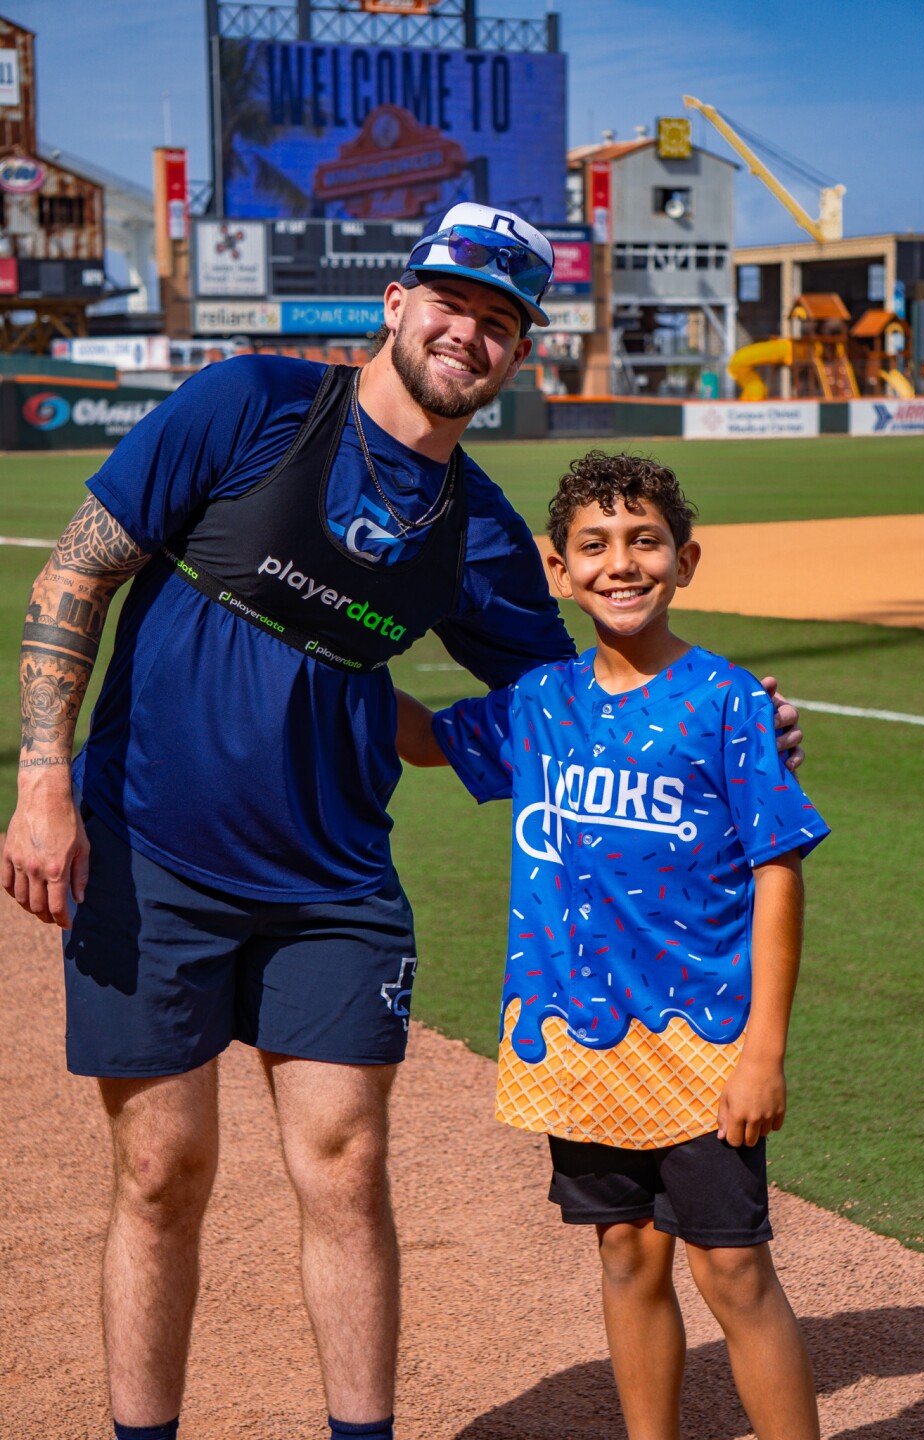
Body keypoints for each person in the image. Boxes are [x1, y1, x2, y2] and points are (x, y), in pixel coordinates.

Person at [2, 202, 802, 1440]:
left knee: (350, 1168)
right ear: (394, 304)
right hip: (151, 849)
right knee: (161, 1175)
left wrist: (731, 715)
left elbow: (579, 699)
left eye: (498, 321)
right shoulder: (248, 404)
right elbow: (78, 570)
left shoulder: (479, 530)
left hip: (333, 889)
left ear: (518, 352)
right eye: (449, 301)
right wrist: (42, 775)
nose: (466, 334)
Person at [396, 451, 828, 1440]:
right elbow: (427, 741)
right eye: (594, 546)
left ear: (687, 558)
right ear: (558, 568)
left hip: (705, 1039)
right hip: (585, 1041)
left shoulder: (726, 700)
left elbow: (779, 870)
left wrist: (764, 1048)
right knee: (626, 1253)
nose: (620, 564)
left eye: (644, 541)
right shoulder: (541, 703)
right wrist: (319, 668)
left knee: (731, 1266)